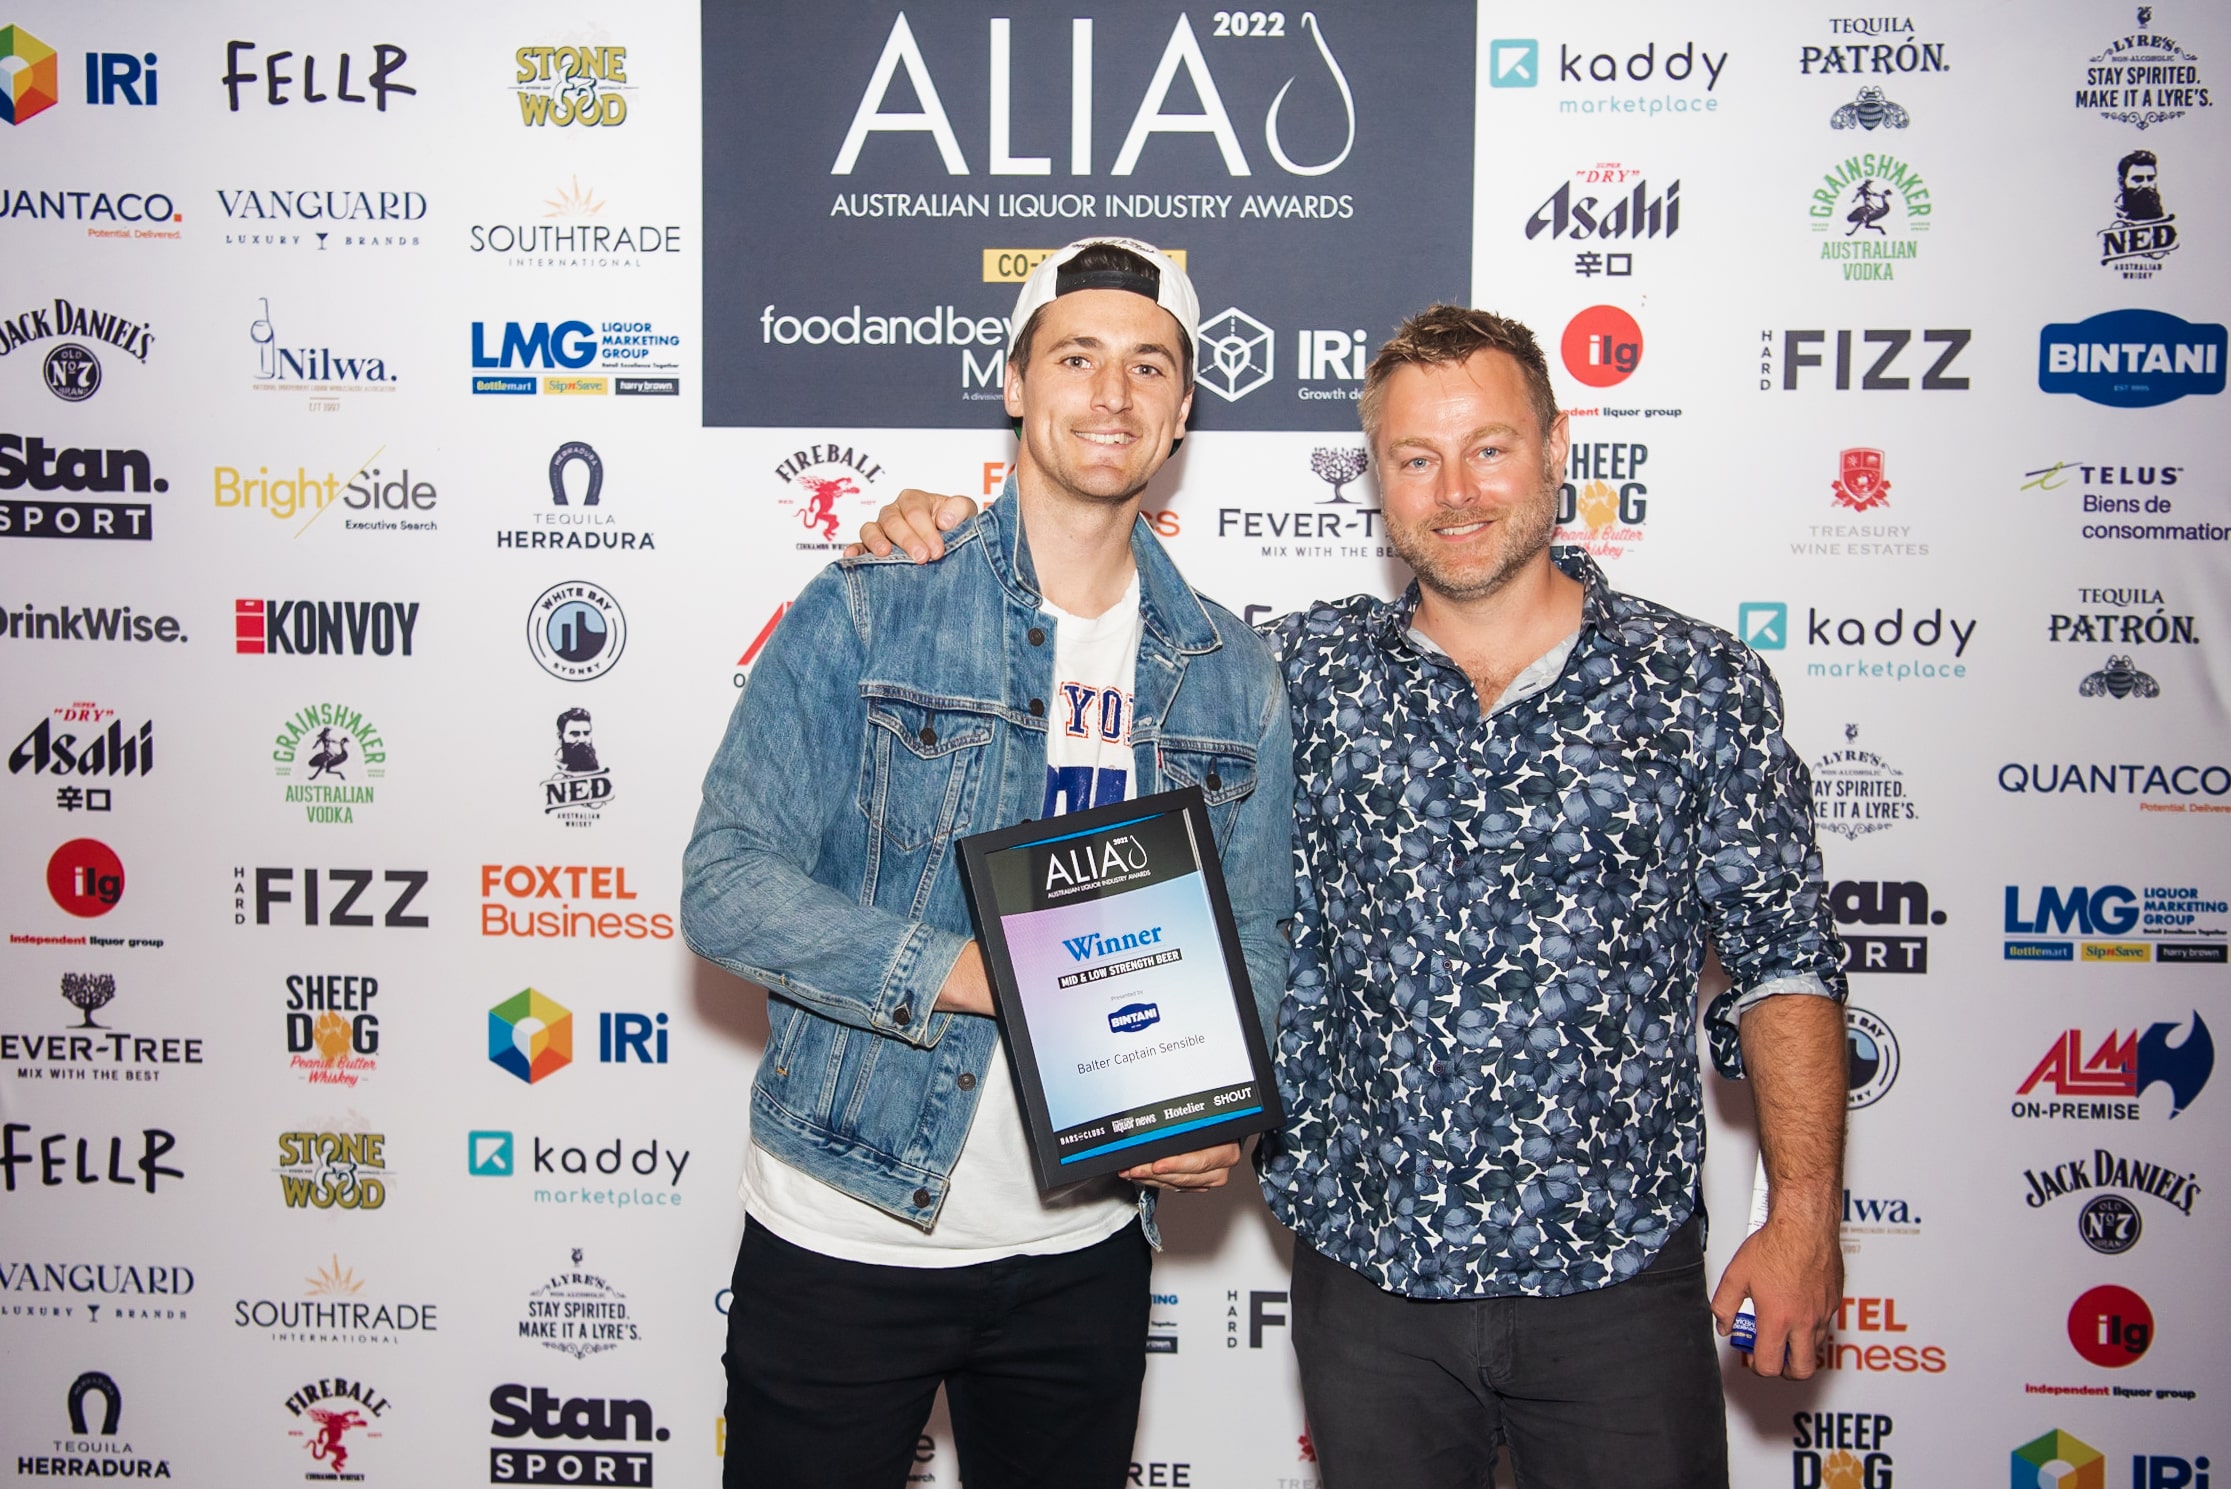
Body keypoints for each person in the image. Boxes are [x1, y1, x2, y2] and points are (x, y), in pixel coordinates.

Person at [855, 304, 1850, 1488]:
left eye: (1488, 448)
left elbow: (1782, 961)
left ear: (1554, 447)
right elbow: (1116, 743)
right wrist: (954, 556)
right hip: (1367, 1282)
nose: (1455, 492)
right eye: (1414, 458)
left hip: (1615, 1278)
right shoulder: (1300, 673)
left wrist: (1801, 1216)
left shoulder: (1695, 682)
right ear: (1375, 477)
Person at [681, 237, 1295, 1489]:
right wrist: (980, 969)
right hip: (849, 1222)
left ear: (1182, 409)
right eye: (1075, 357)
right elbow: (725, 882)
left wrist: (1219, 1108)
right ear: (1013, 382)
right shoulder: (874, 602)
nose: (1110, 395)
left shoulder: (1234, 675)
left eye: (1148, 366)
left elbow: (1256, 937)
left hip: (1083, 1252)